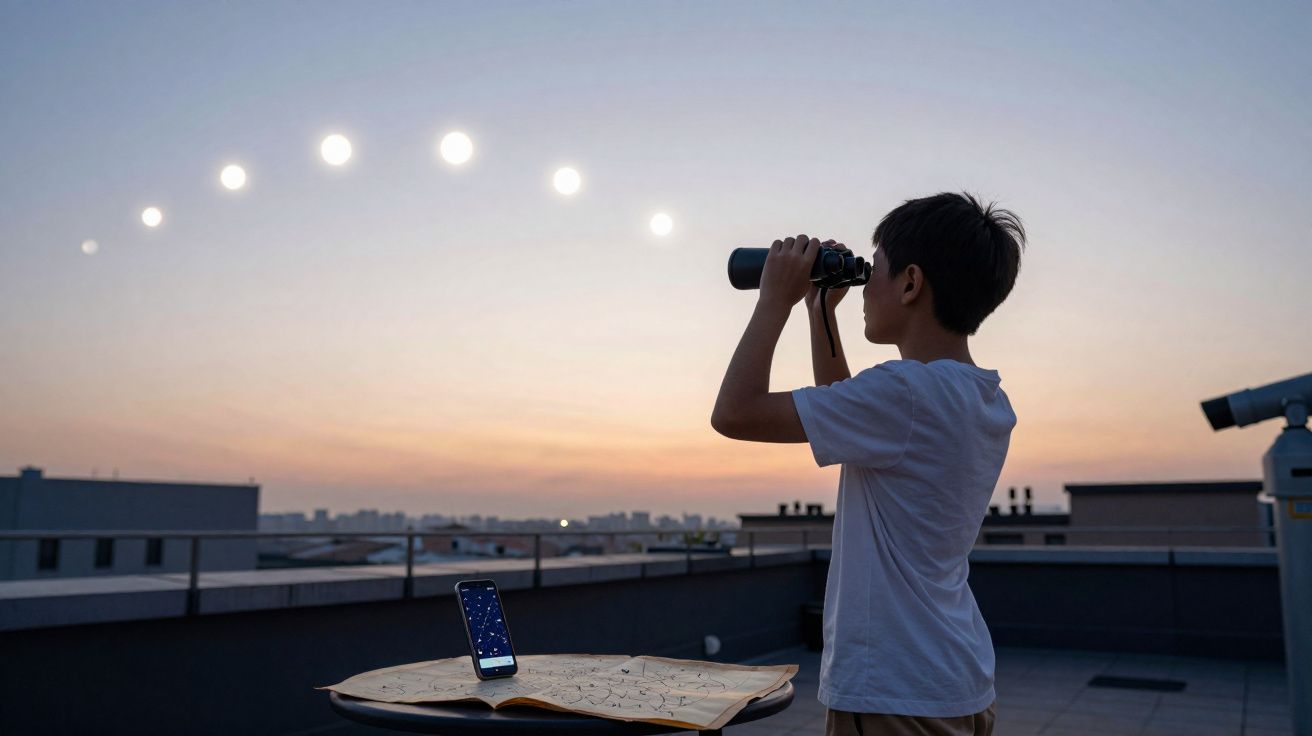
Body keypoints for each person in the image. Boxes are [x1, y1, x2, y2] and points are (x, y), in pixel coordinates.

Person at [710, 192, 1026, 735]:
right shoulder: (982, 397)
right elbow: (853, 423)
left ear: (910, 283)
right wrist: (819, 313)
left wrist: (774, 301)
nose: (864, 288)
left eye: (873, 269)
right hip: (956, 678)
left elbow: (735, 413)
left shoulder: (904, 393)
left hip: (894, 691)